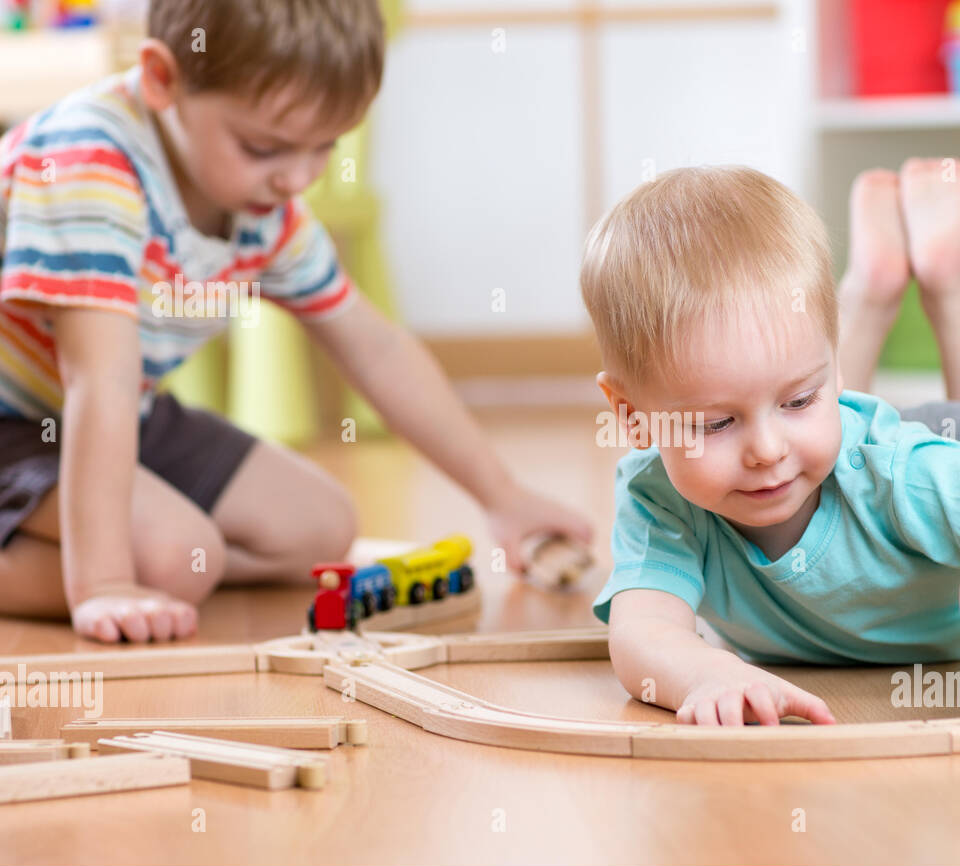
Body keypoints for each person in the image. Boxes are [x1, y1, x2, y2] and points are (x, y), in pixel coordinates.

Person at [0, 0, 591, 642]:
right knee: (172, 561)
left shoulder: (263, 204)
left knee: (318, 526)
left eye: (325, 147)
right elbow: (99, 382)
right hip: (28, 414)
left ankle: (163, 558)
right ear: (163, 80)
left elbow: (377, 350)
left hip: (108, 410)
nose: (299, 178)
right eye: (264, 147)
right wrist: (106, 584)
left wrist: (503, 497)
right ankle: (146, 567)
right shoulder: (88, 157)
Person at [581, 161, 960, 727]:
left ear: (834, 374)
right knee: (803, 436)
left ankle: (950, 287)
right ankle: (873, 289)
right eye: (716, 424)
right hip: (853, 458)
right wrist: (705, 671)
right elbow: (643, 631)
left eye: (798, 399)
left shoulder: (901, 473)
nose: (765, 450)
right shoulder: (658, 497)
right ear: (633, 417)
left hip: (951, 459)